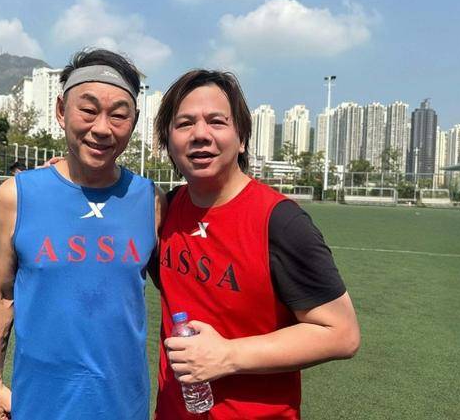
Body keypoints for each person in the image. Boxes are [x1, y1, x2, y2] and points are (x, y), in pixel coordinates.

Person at [153, 70, 360, 419]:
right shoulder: (165, 211)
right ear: (168, 141)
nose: (200, 134)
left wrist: (227, 355)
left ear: (242, 138)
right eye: (184, 123)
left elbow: (342, 333)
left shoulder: (280, 221)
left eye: (216, 121)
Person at [0, 48, 164, 420]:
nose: (102, 128)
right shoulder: (16, 196)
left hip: (124, 407)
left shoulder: (152, 201)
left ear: (134, 122)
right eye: (89, 110)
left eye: (118, 115)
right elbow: (0, 295)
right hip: (38, 406)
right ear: (62, 111)